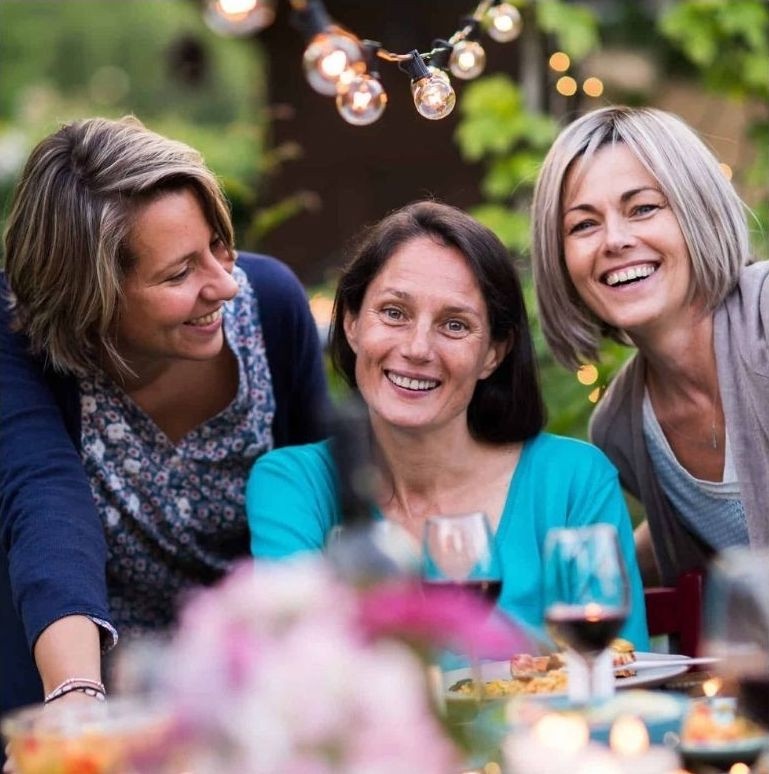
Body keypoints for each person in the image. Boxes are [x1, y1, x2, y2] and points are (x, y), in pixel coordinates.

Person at [0, 116, 328, 718]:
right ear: (90, 297)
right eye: (179, 273)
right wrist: (76, 702)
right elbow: (45, 504)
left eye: (217, 246)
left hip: (251, 703)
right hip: (89, 699)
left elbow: (322, 503)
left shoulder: (272, 308)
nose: (224, 285)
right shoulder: (17, 336)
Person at [247, 200, 649, 648]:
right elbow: (298, 657)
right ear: (352, 323)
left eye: (455, 325)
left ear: (493, 353)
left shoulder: (573, 480)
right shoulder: (293, 485)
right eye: (394, 313)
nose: (418, 349)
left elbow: (619, 666)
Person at [531, 105, 769, 586]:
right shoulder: (621, 428)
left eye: (643, 208)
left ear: (698, 211)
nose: (615, 240)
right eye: (583, 225)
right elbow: (700, 535)